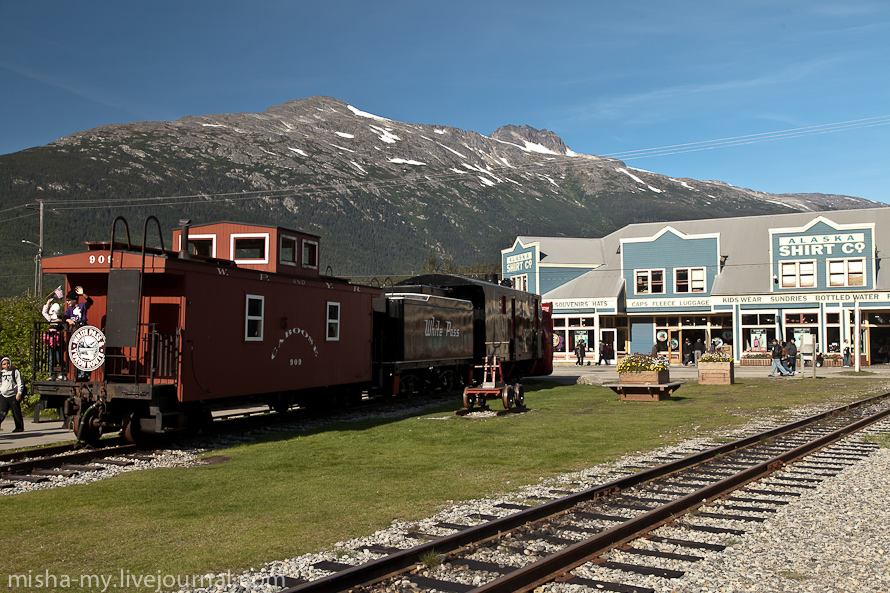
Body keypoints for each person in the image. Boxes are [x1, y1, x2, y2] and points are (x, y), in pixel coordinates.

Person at [41, 295, 66, 380]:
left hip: (58, 342)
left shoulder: (61, 321)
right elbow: (44, 313)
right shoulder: (50, 320)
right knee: (52, 359)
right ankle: (52, 374)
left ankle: (62, 373)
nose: (51, 315)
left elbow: (65, 326)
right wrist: (47, 303)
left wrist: (60, 321)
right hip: (51, 342)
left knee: (59, 358)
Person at [0, 357, 25, 433]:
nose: (6, 365)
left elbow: (20, 383)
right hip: (3, 395)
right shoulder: (1, 373)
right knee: (1, 412)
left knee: (16, 411)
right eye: (4, 364)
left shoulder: (15, 372)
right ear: (1, 365)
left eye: (8, 363)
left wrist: (19, 393)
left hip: (13, 395)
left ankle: (19, 427)